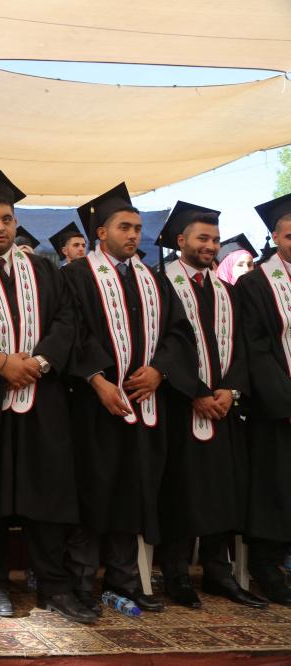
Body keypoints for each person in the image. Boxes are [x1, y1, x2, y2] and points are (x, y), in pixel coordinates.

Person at [0, 171, 95, 623]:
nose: (1, 228)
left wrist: (40, 361)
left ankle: (54, 586)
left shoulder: (43, 268)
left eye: (7, 219)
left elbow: (67, 320)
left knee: (46, 490)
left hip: (41, 397)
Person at [61, 183, 198, 613]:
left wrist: (159, 370)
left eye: (137, 228)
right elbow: (72, 333)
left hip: (144, 405)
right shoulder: (76, 276)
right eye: (124, 227)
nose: (134, 235)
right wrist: (97, 380)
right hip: (94, 406)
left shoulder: (153, 279)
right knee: (92, 491)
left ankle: (123, 581)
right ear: (101, 232)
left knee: (133, 492)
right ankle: (81, 583)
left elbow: (178, 333)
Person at [153, 201, 266, 609]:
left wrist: (230, 390)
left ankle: (219, 574)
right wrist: (196, 391)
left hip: (222, 407)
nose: (211, 246)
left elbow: (243, 347)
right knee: (181, 490)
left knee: (222, 489)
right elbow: (163, 345)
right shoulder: (160, 284)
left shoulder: (227, 290)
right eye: (203, 238)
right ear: (181, 240)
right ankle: (177, 575)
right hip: (179, 406)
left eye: (215, 240)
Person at [236, 192, 291, 606]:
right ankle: (267, 565)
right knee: (276, 485)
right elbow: (255, 348)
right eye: (290, 236)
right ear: (274, 237)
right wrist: (285, 402)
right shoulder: (255, 284)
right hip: (278, 407)